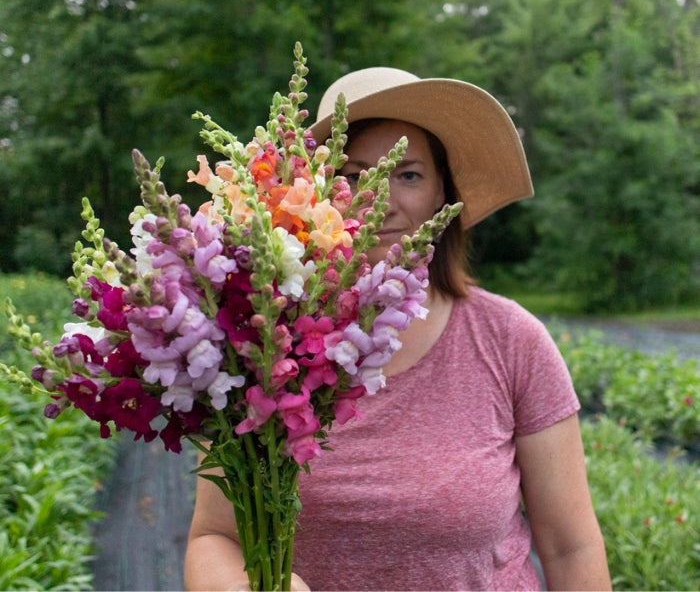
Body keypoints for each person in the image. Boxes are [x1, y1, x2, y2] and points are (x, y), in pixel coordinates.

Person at [184, 68, 611, 591]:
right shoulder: (261, 342)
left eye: (407, 175)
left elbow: (572, 547)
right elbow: (214, 538)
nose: (379, 199)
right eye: (354, 175)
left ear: (441, 196)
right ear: (312, 194)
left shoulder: (509, 341)